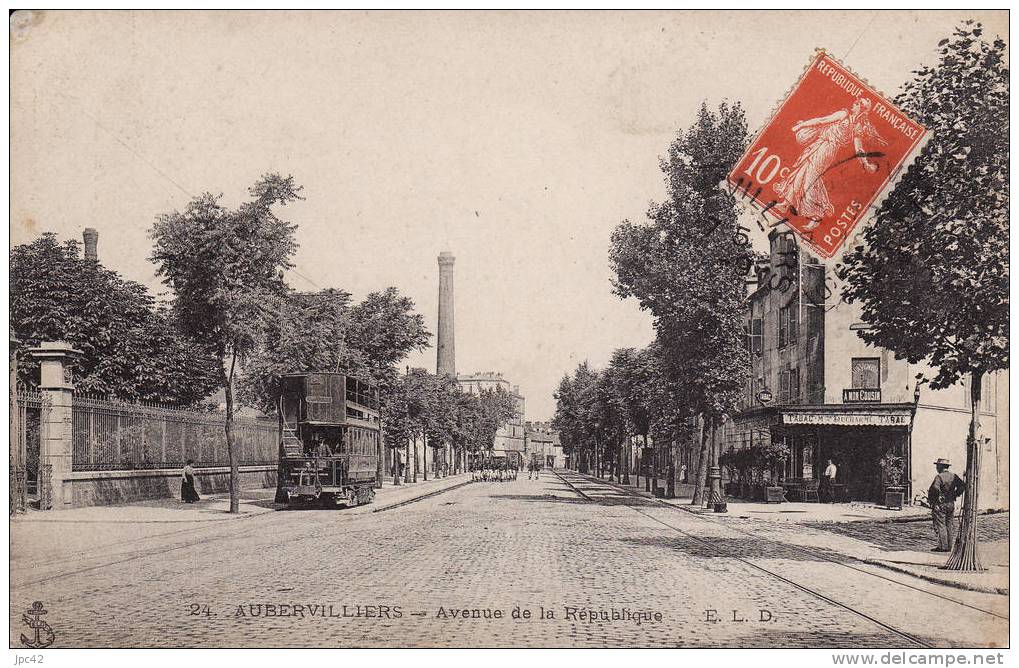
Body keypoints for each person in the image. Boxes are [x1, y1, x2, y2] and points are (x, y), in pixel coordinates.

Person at [774, 97, 887, 230]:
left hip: (827, 149)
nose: (854, 104)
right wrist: (803, 125)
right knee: (801, 171)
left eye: (857, 103)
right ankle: (786, 202)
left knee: (810, 178)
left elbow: (858, 148)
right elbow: (822, 120)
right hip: (820, 144)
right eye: (855, 102)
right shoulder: (847, 117)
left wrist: (865, 163)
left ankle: (816, 216)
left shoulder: (854, 123)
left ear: (861, 108)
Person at [928, 458, 966, 552]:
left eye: (937, 466)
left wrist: (939, 496)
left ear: (940, 467)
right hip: (951, 503)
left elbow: (935, 488)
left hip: (940, 504)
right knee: (949, 524)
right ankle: (949, 546)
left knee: (941, 525)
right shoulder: (954, 476)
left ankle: (943, 546)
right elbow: (962, 485)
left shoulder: (939, 477)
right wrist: (955, 494)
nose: (936, 468)